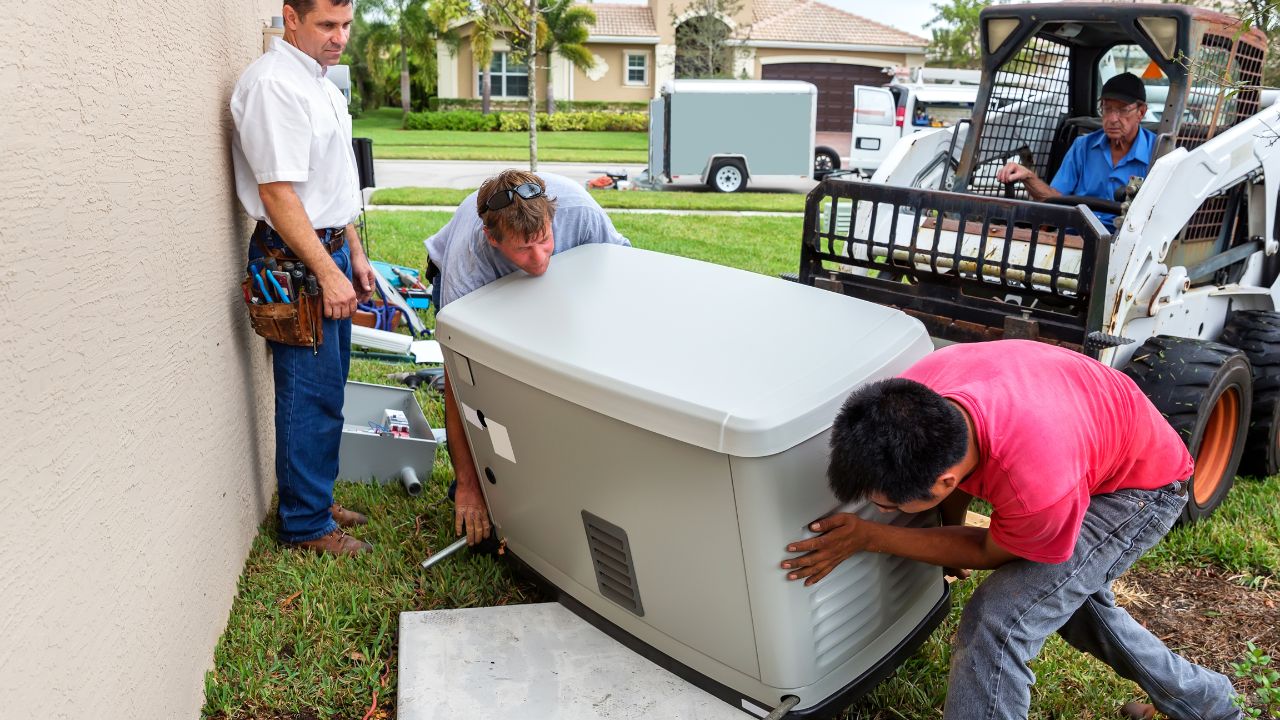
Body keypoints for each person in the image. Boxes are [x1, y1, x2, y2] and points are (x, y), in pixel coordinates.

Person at [780, 340, 1240, 720]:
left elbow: (988, 551)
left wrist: (870, 536)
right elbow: (959, 494)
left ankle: (1208, 703)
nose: (881, 509)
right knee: (1071, 608)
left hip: (1142, 488)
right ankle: (1207, 704)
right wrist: (947, 530)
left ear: (944, 482)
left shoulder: (1036, 485)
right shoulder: (919, 395)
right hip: (1090, 435)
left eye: (889, 503)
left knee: (999, 620)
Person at [230, 0, 378, 556]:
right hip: (297, 262)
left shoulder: (321, 84)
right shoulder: (273, 86)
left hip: (330, 251)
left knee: (330, 388)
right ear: (291, 18)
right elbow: (278, 194)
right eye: (327, 25)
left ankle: (313, 495)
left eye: (346, 25)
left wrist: (354, 256)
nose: (340, 37)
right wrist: (326, 270)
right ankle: (304, 525)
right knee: (307, 394)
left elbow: (331, 188)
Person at [424, 170, 631, 546]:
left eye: (544, 241)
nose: (538, 259)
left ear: (553, 219)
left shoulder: (580, 211)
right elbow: (457, 382)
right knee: (492, 386)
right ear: (492, 238)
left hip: (562, 283)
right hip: (479, 290)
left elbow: (620, 284)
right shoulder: (468, 267)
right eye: (523, 249)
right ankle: (479, 487)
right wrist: (468, 487)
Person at [996, 72, 1155, 231]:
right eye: (1107, 109)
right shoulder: (1083, 147)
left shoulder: (1157, 152)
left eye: (1123, 110)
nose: (1113, 118)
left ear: (1141, 112)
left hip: (1128, 245)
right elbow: (1055, 200)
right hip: (1075, 237)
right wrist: (1027, 176)